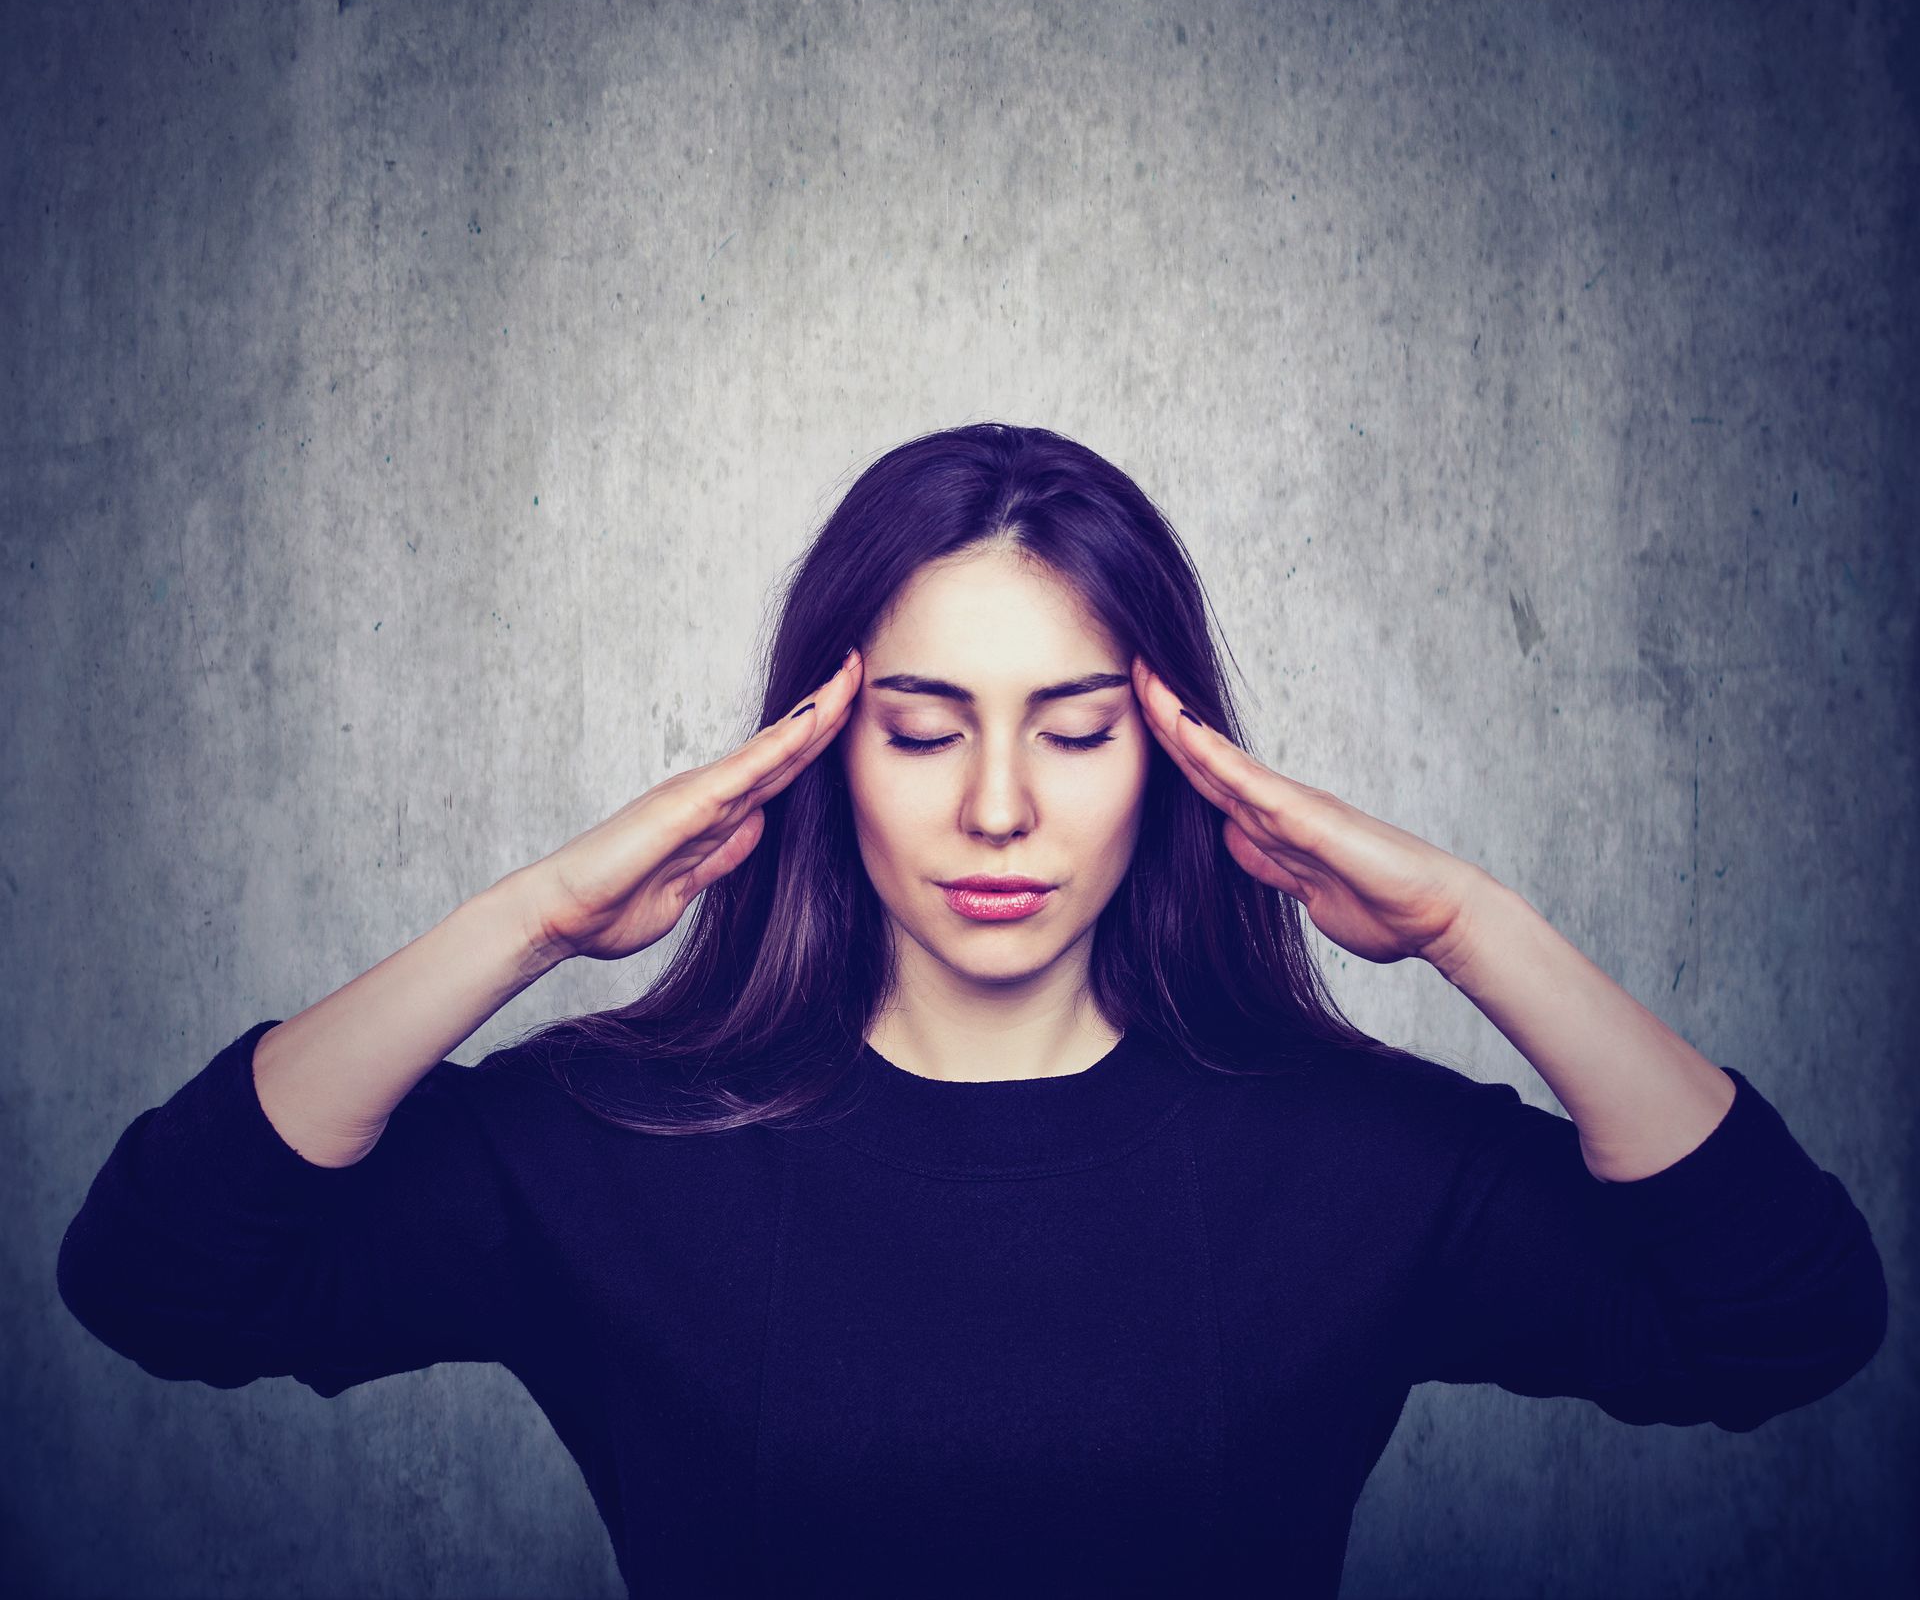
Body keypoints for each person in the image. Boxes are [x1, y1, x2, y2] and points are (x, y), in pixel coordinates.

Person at [56, 422, 1887, 1598]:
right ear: (823, 748)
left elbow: (1786, 1318)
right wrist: (529, 921)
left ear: (1169, 754)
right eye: (923, 728)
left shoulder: (1345, 1155)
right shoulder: (618, 1142)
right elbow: (157, 1272)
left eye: (1074, 730)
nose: (996, 804)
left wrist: (1479, 928)